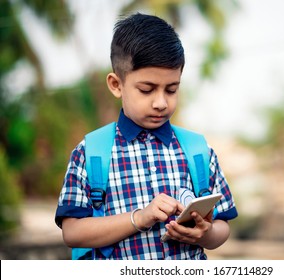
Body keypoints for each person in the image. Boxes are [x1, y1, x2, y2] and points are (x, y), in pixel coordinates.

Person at [54, 12, 238, 260]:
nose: (161, 102)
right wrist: (140, 217)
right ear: (116, 85)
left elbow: (222, 226)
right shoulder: (90, 153)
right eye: (147, 89)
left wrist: (205, 234)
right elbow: (72, 233)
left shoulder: (198, 150)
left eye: (171, 89)